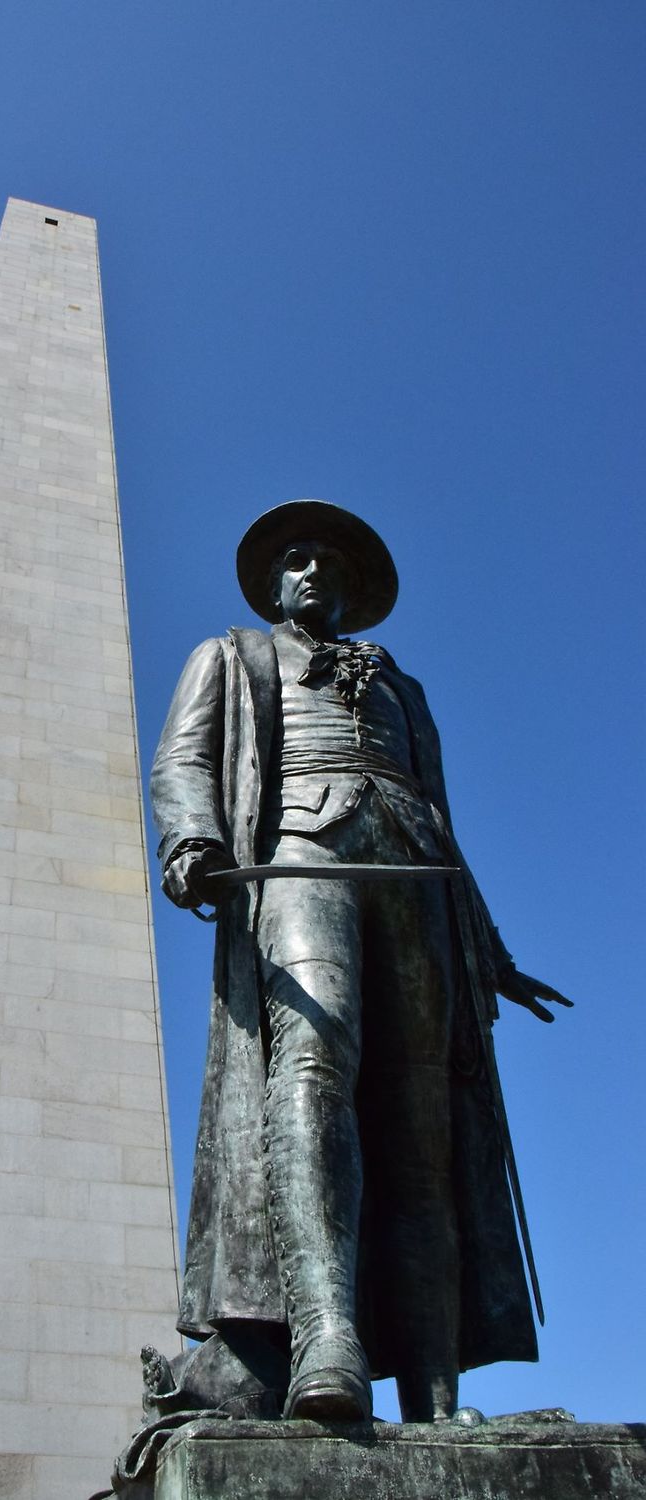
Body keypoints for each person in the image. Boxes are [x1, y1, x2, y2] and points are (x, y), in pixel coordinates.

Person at [150, 499, 571, 1425]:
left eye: (330, 564)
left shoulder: (404, 691)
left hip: (414, 876)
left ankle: (433, 1387)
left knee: (421, 1128)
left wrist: (490, 949)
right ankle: (325, 1340)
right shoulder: (231, 657)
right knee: (311, 1069)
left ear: (353, 592)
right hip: (299, 852)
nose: (312, 572)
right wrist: (191, 842)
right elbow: (181, 762)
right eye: (296, 560)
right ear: (271, 582)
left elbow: (445, 820)